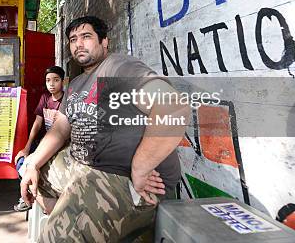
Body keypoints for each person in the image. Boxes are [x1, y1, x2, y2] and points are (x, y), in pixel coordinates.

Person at [19, 16, 189, 242]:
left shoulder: (119, 68)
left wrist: (140, 167)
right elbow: (60, 129)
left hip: (123, 176)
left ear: (104, 41)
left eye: (86, 36)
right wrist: (32, 163)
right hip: (82, 166)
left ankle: (70, 227)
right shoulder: (77, 83)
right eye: (73, 39)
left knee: (53, 239)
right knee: (29, 173)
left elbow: (173, 108)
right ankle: (72, 220)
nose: (78, 44)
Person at [13, 65, 65, 212]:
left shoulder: (67, 100)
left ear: (63, 81)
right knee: (21, 160)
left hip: (60, 145)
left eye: (56, 80)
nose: (51, 84)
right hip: (43, 142)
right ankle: (27, 195)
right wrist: (27, 147)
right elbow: (37, 123)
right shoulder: (45, 98)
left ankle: (45, 199)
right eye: (48, 80)